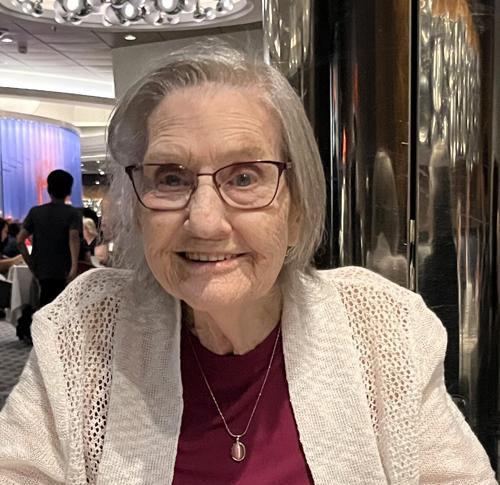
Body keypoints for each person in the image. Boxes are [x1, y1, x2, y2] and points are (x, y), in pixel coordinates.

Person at [0, 45, 496, 484]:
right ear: (137, 207)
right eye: (171, 178)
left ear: (297, 207)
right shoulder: (82, 331)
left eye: (244, 178)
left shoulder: (383, 328)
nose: (205, 222)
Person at [16, 169, 82, 307]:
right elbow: (74, 238)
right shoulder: (73, 213)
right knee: (64, 307)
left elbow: (20, 240)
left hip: (42, 269)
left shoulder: (35, 212)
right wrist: (74, 267)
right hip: (64, 269)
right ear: (69, 190)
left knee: (44, 305)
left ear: (49, 189)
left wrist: (31, 264)